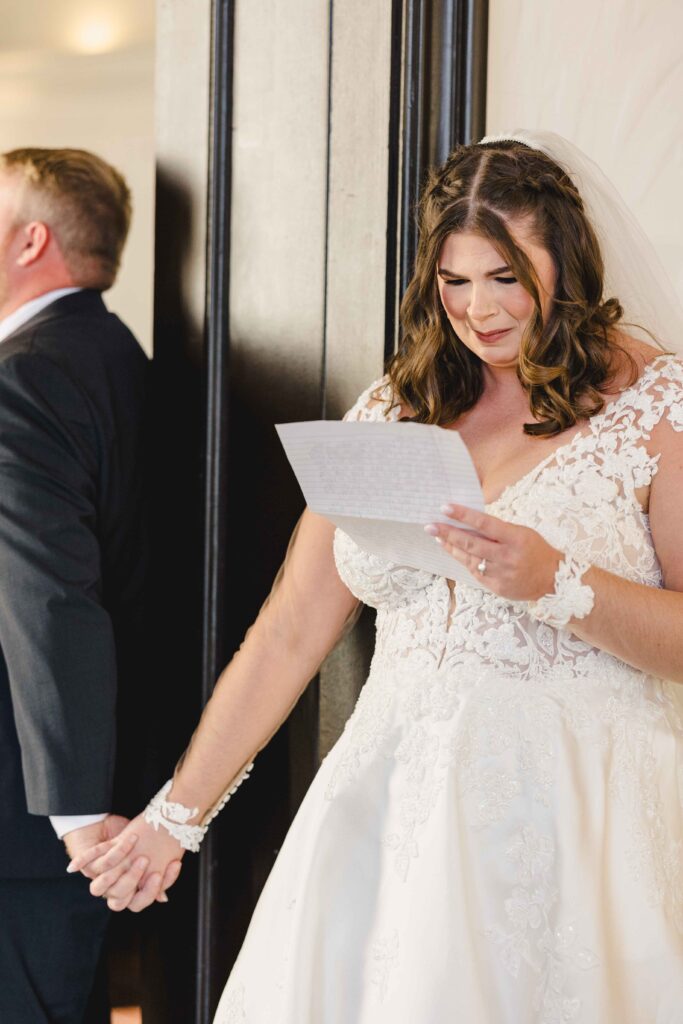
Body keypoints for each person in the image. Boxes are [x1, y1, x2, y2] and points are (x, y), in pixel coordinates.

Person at [72, 131, 683, 1022]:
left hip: (567, 822)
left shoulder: (652, 404)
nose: (480, 310)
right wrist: (174, 818)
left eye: (506, 276)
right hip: (386, 812)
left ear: (566, 258)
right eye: (455, 281)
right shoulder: (399, 405)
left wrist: (560, 582)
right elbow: (286, 632)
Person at [0, 148, 152, 1023]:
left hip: (38, 825)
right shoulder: (114, 353)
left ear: (31, 241)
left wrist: (76, 813)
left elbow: (50, 597)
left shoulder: (24, 374)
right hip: (76, 805)